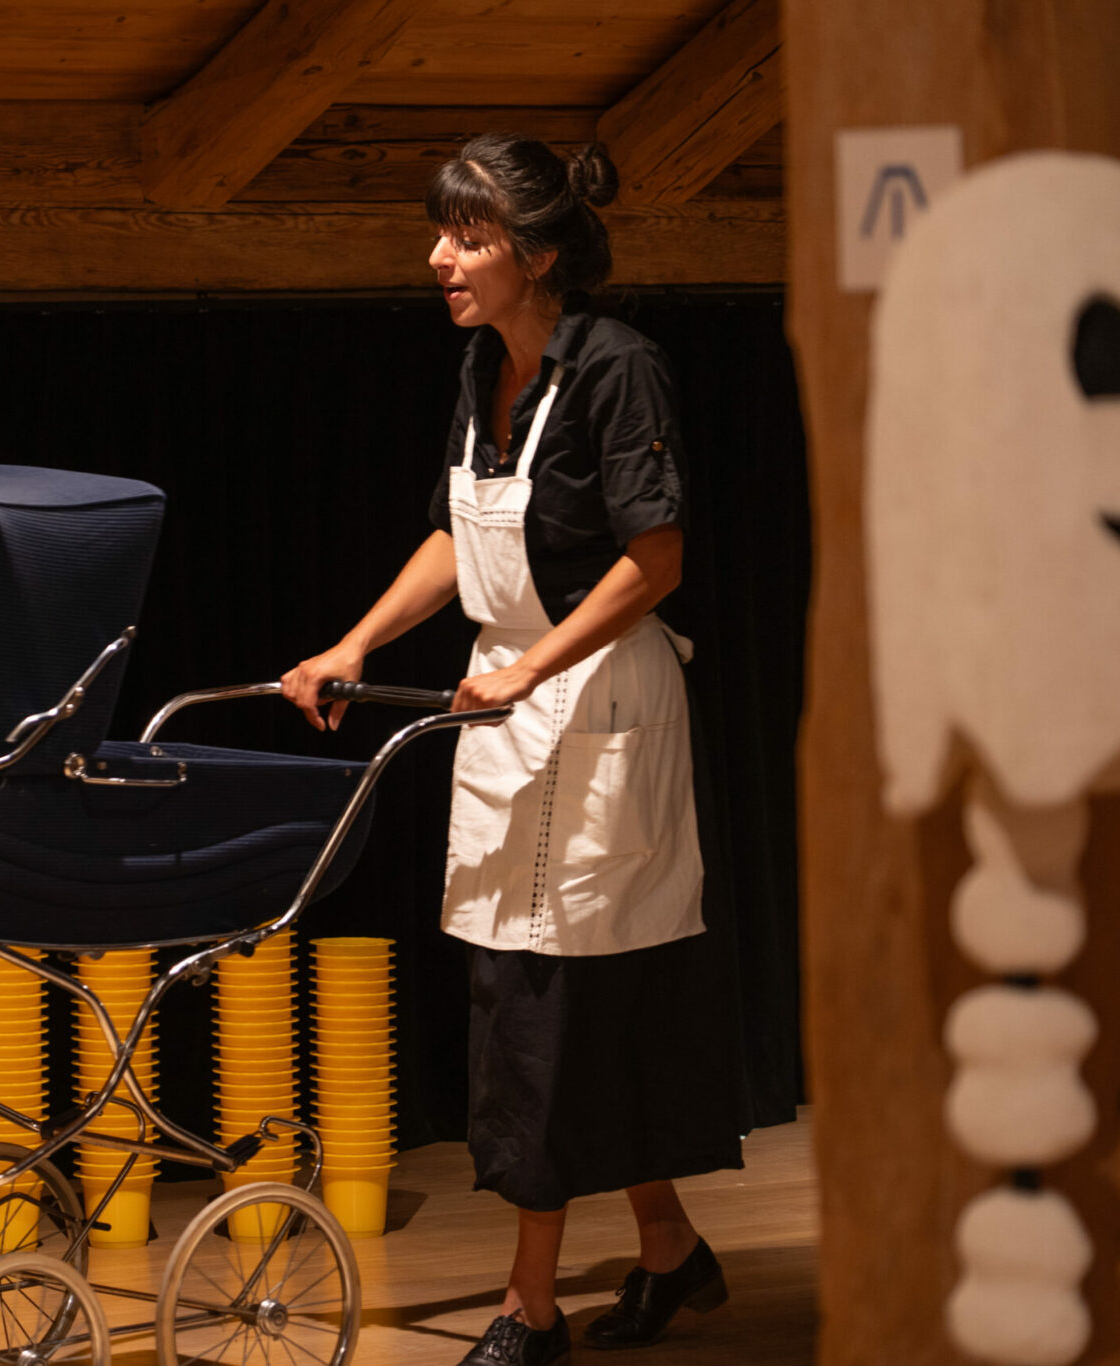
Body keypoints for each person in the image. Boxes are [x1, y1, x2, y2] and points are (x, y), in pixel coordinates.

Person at [280, 134, 743, 1365]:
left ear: (535, 254)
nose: (437, 257)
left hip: (596, 710)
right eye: (440, 234)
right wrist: (354, 644)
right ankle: (667, 1250)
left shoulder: (616, 369)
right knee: (552, 994)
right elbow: (457, 533)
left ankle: (525, 1309)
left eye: (466, 237)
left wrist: (530, 667)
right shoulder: (486, 367)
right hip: (512, 707)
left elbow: (657, 562)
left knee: (550, 1008)